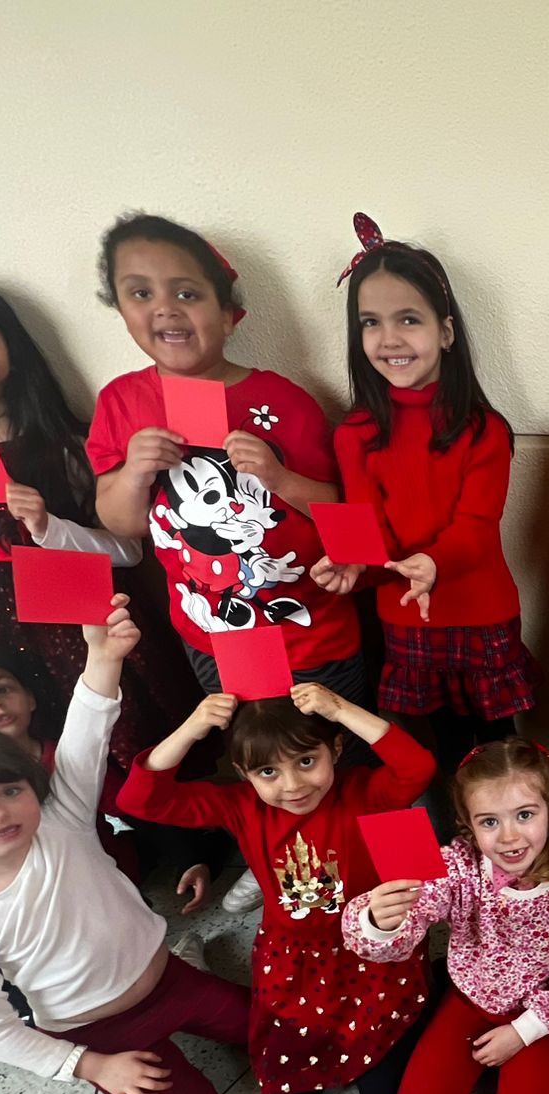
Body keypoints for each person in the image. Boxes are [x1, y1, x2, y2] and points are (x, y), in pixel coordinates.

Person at [85, 212, 365, 915]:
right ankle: (272, 860)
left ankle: (356, 863)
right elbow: (120, 524)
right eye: (141, 293)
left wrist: (280, 478)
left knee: (337, 756)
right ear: (120, 309)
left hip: (311, 633)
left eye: (187, 293)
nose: (165, 309)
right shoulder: (122, 403)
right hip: (214, 635)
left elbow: (348, 514)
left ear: (229, 313)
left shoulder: (284, 402)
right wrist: (134, 470)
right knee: (255, 755)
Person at [0, 599, 248, 1094]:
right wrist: (91, 1065)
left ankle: (189, 960)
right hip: (100, 1033)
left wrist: (103, 657)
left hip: (171, 982)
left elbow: (88, 729)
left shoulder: (62, 817)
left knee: (277, 1028)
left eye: (9, 790)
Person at [0, 266, 188, 766]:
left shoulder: (63, 440)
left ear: (11, 343)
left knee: (125, 733)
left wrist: (50, 529)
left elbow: (128, 548)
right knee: (33, 734)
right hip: (1, 619)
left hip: (87, 611)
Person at [118, 684, 435, 1094]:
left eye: (306, 761)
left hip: (369, 946)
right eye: (268, 771)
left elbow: (418, 767)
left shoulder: (363, 791)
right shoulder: (240, 805)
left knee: (381, 1092)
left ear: (335, 749)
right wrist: (193, 726)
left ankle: (431, 995)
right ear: (243, 772)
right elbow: (138, 799)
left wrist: (340, 709)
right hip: (295, 956)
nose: (293, 785)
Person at [313, 220, 538, 771]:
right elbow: (368, 529)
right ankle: (464, 822)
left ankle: (516, 824)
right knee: (448, 745)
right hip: (407, 618)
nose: (389, 338)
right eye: (371, 322)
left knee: (500, 747)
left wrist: (432, 563)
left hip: (480, 611)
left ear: (446, 332)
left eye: (408, 319)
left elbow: (477, 528)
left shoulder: (484, 429)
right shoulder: (354, 434)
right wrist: (353, 567)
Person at [344, 739, 549, 1094]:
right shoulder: (457, 865)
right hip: (469, 999)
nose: (509, 837)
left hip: (536, 1012)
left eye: (525, 814)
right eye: (489, 821)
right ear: (467, 823)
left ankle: (528, 1068)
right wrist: (378, 921)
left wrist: (524, 1032)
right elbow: (404, 928)